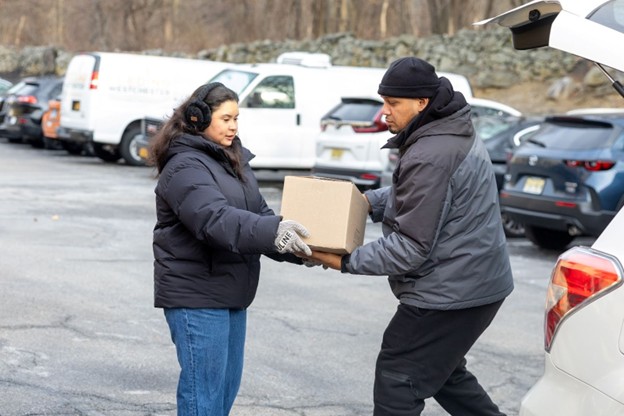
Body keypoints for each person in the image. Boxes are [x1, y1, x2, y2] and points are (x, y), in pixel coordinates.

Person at [307, 57, 514, 416]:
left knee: (398, 377)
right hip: (475, 283)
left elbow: (410, 247)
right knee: (443, 374)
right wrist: (366, 203)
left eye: (393, 103)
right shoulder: (447, 130)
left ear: (421, 102)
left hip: (451, 291)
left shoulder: (433, 152)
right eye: (383, 101)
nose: (384, 112)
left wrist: (344, 261)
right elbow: (424, 194)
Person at [149, 82, 311, 416]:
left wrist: (297, 249)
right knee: (203, 399)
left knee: (222, 395)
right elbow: (214, 220)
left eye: (236, 118)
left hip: (230, 293)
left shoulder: (233, 159)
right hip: (197, 296)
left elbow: (259, 215)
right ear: (198, 118)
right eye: (225, 119)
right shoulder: (184, 166)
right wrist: (273, 232)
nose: (233, 126)